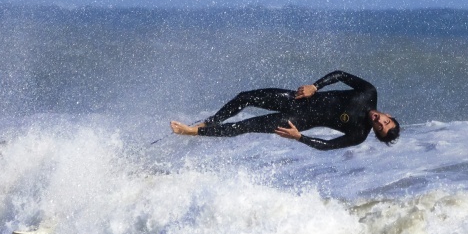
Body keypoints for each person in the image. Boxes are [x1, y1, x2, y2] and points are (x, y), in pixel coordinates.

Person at [170, 70, 399, 151]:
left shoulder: (359, 134)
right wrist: (315, 86)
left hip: (295, 122)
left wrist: (299, 137)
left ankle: (193, 131)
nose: (380, 122)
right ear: (389, 115)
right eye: (386, 122)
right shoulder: (369, 92)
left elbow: (327, 146)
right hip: (296, 99)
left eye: (380, 128)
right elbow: (340, 75)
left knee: (244, 126)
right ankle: (210, 122)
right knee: (245, 97)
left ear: (375, 132)